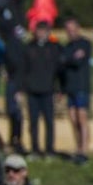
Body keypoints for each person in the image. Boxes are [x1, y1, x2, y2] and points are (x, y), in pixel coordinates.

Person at [24, 21, 61, 157]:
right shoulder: (29, 48)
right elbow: (24, 69)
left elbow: (58, 70)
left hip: (48, 90)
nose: (41, 34)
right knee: (33, 122)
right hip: (32, 90)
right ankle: (35, 149)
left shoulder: (54, 48)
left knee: (49, 121)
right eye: (39, 31)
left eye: (44, 31)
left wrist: (58, 89)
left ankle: (49, 149)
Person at [61, 17, 92, 165]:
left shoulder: (85, 44)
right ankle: (78, 147)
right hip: (70, 87)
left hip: (82, 86)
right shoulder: (67, 47)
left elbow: (77, 62)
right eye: (68, 30)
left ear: (78, 29)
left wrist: (69, 60)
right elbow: (63, 62)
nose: (71, 32)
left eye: (73, 29)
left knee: (82, 118)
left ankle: (84, 151)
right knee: (73, 119)